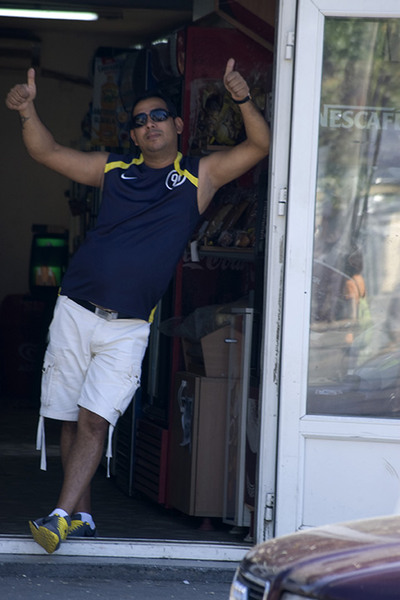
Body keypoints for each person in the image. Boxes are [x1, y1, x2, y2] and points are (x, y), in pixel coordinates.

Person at [5, 58, 270, 554]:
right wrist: (26, 111)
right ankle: (81, 515)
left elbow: (259, 145)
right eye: (140, 120)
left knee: (95, 418)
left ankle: (58, 518)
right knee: (70, 416)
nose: (150, 124)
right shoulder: (114, 171)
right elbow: (47, 152)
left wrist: (241, 98)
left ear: (178, 125)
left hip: (127, 326)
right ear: (133, 135)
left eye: (158, 116)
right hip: (74, 309)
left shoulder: (199, 175)